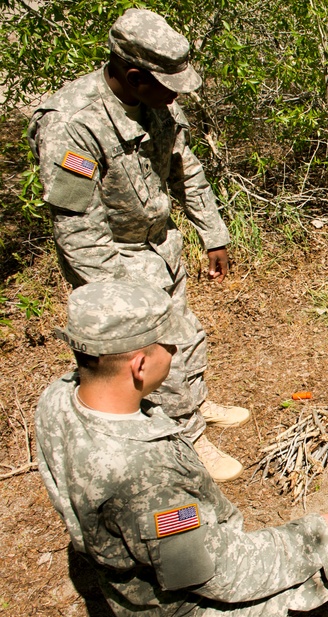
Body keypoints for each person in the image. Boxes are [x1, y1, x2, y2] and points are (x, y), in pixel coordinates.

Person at [35, 280, 328, 617]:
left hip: (133, 590)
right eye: (167, 345)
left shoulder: (59, 399)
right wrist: (317, 532)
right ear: (139, 364)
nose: (175, 351)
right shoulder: (146, 474)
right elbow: (214, 574)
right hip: (188, 614)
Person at [27, 8, 247, 481]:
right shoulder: (72, 123)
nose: (176, 94)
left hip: (161, 245)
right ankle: (186, 439)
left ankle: (194, 404)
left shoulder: (159, 99)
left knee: (183, 335)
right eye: (169, 84)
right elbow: (77, 228)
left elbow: (185, 167)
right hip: (116, 257)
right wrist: (123, 301)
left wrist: (213, 233)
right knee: (146, 353)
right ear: (134, 76)